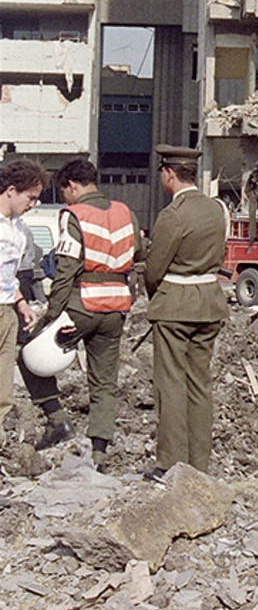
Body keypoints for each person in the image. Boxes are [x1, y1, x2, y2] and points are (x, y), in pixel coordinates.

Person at [18, 159, 141, 468]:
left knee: (28, 355)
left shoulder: (75, 216)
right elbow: (138, 254)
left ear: (71, 186)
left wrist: (50, 317)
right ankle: (99, 453)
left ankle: (56, 419)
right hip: (116, 307)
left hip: (81, 305)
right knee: (104, 381)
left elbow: (66, 271)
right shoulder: (126, 212)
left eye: (64, 192)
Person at [144, 145, 229, 478]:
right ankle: (200, 464)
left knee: (171, 385)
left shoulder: (173, 215)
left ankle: (171, 463)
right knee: (200, 384)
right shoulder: (216, 209)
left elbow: (154, 269)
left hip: (175, 305)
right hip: (209, 302)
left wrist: (158, 296)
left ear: (169, 174)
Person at [1, 157, 48, 435]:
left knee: (3, 388)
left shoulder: (19, 229)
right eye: (29, 198)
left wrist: (20, 302)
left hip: (6, 310)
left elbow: (8, 274)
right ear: (10, 190)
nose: (33, 204)